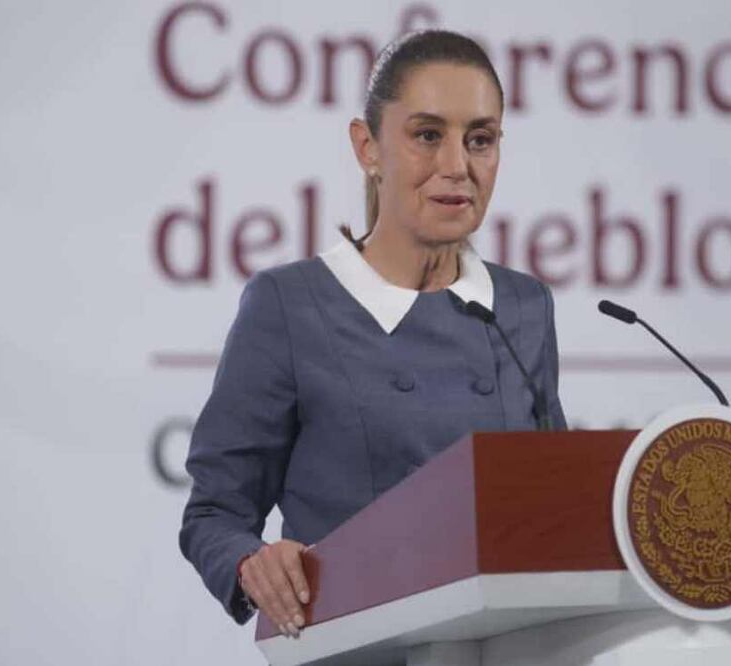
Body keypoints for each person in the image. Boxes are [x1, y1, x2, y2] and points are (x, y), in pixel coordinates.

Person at [179, 29, 567, 640]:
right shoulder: (291, 305)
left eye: (480, 140)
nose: (457, 166)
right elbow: (214, 511)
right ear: (368, 147)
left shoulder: (523, 306)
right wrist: (253, 563)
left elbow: (558, 506)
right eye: (428, 135)